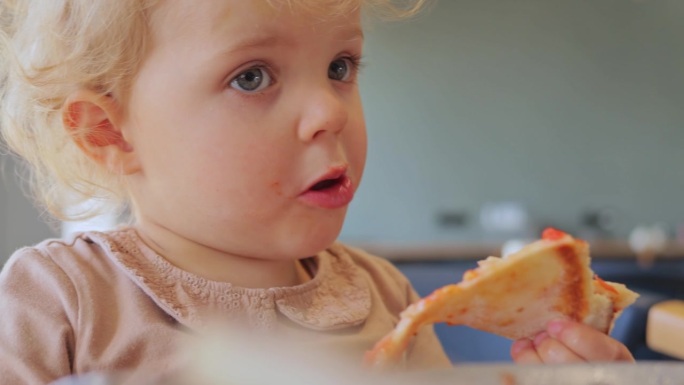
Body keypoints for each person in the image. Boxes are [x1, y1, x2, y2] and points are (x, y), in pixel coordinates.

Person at [0, 0, 634, 383]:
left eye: (340, 68)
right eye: (252, 77)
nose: (329, 112)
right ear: (108, 131)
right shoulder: (60, 301)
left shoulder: (386, 297)